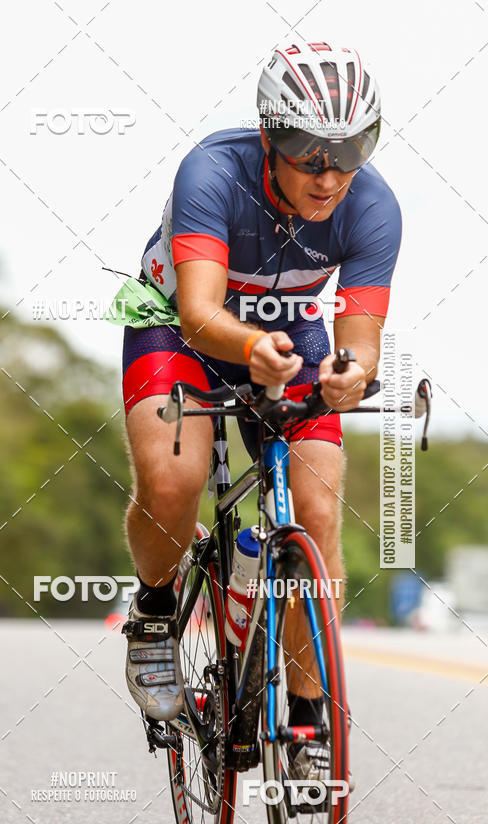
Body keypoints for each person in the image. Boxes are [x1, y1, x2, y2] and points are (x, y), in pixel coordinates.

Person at [120, 42, 401, 773]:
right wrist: (251, 350)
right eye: (309, 151)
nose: (330, 174)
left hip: (286, 332)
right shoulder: (212, 171)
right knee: (174, 483)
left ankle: (308, 721)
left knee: (317, 510)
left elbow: (360, 339)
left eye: (351, 151)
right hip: (182, 325)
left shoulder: (373, 207)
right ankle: (154, 612)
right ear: (271, 136)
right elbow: (201, 312)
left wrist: (350, 373)